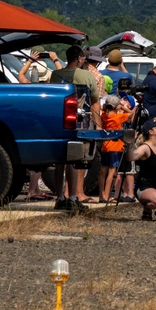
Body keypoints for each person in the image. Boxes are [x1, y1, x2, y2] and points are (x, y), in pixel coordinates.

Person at [49, 45, 102, 211]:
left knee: (59, 162)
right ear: (79, 58)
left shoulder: (55, 75)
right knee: (73, 161)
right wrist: (98, 124)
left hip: (58, 120)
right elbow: (95, 101)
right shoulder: (87, 76)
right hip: (79, 122)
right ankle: (72, 196)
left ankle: (59, 196)